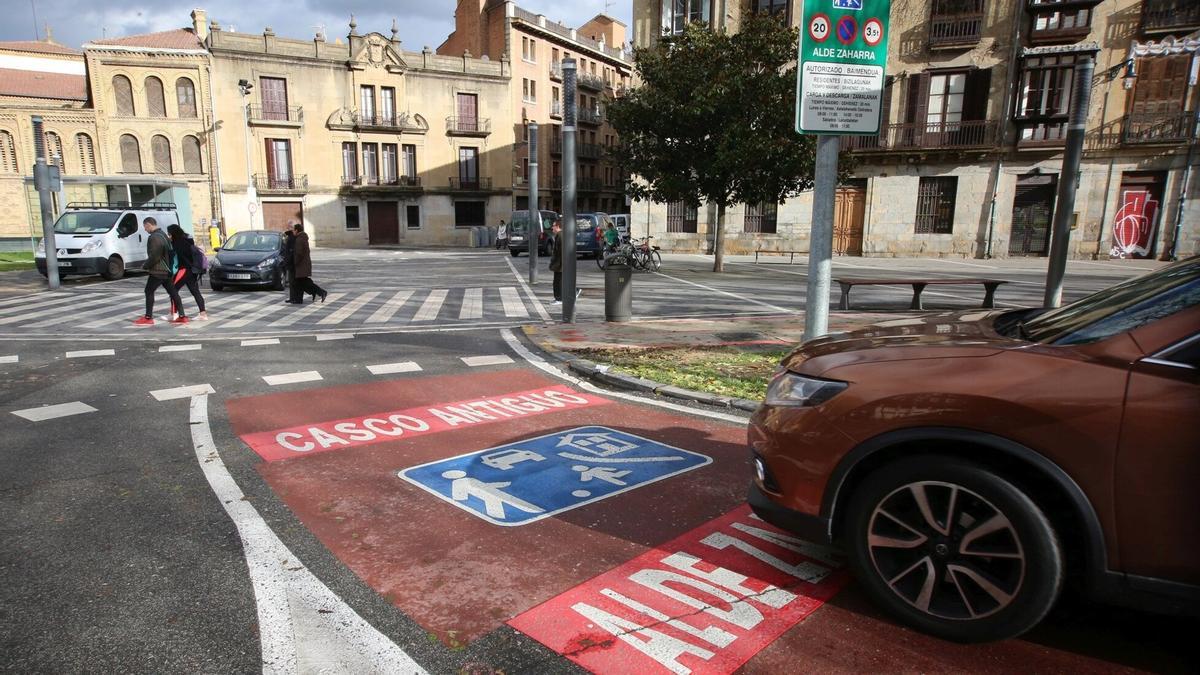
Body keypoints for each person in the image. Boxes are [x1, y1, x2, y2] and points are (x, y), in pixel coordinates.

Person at [133, 217, 187, 326]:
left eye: (145, 227)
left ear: (149, 225)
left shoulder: (154, 238)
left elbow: (155, 256)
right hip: (167, 270)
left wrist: (145, 265)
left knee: (149, 291)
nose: (145, 229)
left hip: (158, 271)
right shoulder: (163, 235)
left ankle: (148, 317)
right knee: (173, 292)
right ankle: (182, 316)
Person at [168, 224, 207, 321]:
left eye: (169, 234)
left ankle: (174, 314)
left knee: (173, 290)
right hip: (192, 270)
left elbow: (176, 258)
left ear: (173, 233)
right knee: (195, 291)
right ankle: (203, 314)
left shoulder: (177, 243)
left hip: (184, 269)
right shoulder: (188, 240)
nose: (169, 236)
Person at [289, 222, 327, 304]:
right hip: (304, 264)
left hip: (301, 265)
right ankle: (301, 299)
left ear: (297, 230)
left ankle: (321, 292)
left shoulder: (299, 239)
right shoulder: (303, 237)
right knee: (301, 282)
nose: (293, 232)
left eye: (293, 230)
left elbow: (299, 253)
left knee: (303, 282)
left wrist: (295, 263)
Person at [549, 219, 563, 304]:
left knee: (558, 282)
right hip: (559, 264)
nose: (552, 227)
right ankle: (558, 298)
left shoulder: (560, 236)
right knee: (557, 281)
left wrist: (558, 263)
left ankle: (559, 299)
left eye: (553, 226)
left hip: (560, 265)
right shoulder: (559, 235)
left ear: (557, 226)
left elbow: (561, 252)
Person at [281, 229, 296, 300]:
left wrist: (286, 262)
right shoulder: (292, 239)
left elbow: (289, 254)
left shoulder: (290, 240)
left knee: (292, 282)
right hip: (291, 264)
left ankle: (293, 298)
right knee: (291, 282)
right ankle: (292, 298)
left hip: (291, 265)